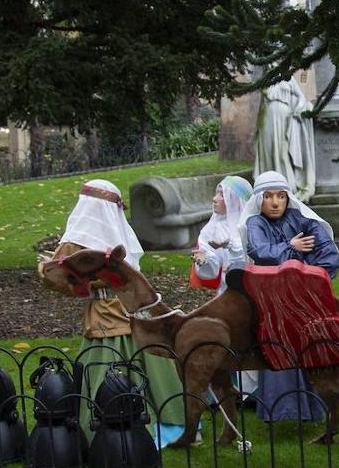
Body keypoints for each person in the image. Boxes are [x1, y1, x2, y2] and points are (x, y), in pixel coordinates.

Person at [39, 179, 187, 441]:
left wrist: (44, 271)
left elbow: (60, 280)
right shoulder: (116, 235)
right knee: (146, 361)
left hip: (107, 314)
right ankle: (169, 421)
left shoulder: (76, 239)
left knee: (106, 364)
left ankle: (99, 431)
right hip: (132, 308)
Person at [241, 171, 339, 422]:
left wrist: (305, 278)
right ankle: (283, 410)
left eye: (281, 196)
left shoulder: (304, 220)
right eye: (269, 196)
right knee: (279, 349)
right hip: (273, 301)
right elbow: (260, 252)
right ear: (259, 200)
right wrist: (291, 248)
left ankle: (315, 407)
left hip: (306, 300)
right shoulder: (256, 223)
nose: (275, 202)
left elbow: (328, 256)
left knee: (312, 349)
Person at [191, 175, 258, 396]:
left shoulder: (250, 226)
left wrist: (230, 245)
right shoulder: (210, 229)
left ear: (235, 200)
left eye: (221, 194)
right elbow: (212, 270)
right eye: (217, 192)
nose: (215, 198)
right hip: (225, 294)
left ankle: (255, 390)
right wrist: (204, 261)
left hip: (252, 295)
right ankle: (232, 389)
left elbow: (249, 261)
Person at [254, 78, 316, 202]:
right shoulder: (266, 79)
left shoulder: (289, 78)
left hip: (284, 117)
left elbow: (301, 97)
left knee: (283, 154)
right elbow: (262, 103)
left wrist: (299, 109)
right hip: (267, 117)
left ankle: (287, 188)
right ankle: (268, 187)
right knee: (268, 153)